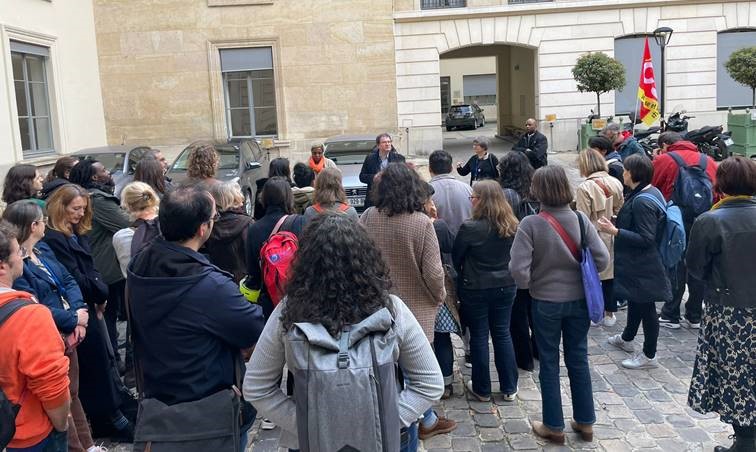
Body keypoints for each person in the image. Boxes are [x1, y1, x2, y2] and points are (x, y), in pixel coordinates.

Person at [243, 214, 444, 452]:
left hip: (311, 443)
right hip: (384, 441)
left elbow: (257, 387)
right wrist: (384, 421)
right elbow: (429, 383)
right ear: (367, 257)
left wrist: (307, 424)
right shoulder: (392, 310)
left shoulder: (288, 313)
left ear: (306, 261)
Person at [127, 186, 265, 449]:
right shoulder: (210, 285)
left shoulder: (140, 265)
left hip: (159, 399)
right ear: (203, 228)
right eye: (214, 218)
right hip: (208, 408)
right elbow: (252, 327)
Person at [510, 166, 609, 444]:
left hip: (545, 303)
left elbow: (518, 271)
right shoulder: (579, 219)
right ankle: (585, 421)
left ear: (537, 190)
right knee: (578, 358)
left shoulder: (531, 224)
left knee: (549, 362)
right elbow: (602, 260)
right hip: (578, 301)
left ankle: (554, 425)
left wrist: (534, 283)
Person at [359, 163, 454, 440]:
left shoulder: (368, 216)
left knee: (387, 367)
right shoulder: (422, 223)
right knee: (416, 371)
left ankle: (417, 419)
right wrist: (440, 297)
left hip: (377, 305)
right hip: (417, 308)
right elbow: (434, 273)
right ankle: (416, 422)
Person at [4, 201, 105, 452]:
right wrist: (74, 320)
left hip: (68, 330)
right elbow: (51, 391)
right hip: (32, 432)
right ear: (33, 225)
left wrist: (79, 311)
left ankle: (87, 445)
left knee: (73, 394)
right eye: (43, 221)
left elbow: (68, 279)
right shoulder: (25, 307)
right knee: (62, 396)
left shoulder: (44, 250)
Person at [42, 184, 135, 442]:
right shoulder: (56, 238)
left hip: (92, 300)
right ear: (61, 208)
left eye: (83, 208)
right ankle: (109, 416)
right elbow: (74, 275)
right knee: (94, 363)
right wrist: (99, 292)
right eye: (75, 208)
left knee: (104, 357)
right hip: (81, 306)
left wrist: (98, 291)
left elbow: (89, 267)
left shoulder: (76, 233)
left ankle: (114, 410)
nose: (81, 214)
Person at [685, 157, 756, 452]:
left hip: (730, 312)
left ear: (721, 184)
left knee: (735, 374)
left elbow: (695, 268)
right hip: (738, 306)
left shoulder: (710, 220)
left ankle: (745, 441)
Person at [0, 221, 71, 452]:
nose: (22, 256)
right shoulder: (29, 317)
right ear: (2, 266)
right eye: (18, 251)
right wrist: (62, 425)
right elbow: (53, 387)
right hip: (24, 435)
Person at [598, 154, 672, 370]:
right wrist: (617, 221)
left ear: (633, 173)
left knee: (646, 307)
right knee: (636, 300)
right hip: (638, 264)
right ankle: (627, 338)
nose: (623, 173)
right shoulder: (648, 191)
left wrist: (616, 231)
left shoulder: (642, 201)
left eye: (626, 170)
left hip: (644, 264)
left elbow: (646, 238)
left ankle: (649, 355)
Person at [453, 180, 520, 403]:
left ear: (481, 200)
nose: (471, 200)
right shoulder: (512, 224)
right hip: (506, 285)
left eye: (473, 197)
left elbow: (457, 257)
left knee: (480, 336)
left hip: (476, 286)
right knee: (502, 333)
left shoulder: (470, 227)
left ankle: (482, 388)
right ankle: (509, 386)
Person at [69, 158, 131, 372]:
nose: (108, 172)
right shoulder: (99, 200)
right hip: (105, 270)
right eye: (104, 169)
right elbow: (126, 223)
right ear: (94, 177)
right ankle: (114, 363)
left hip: (97, 266)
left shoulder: (89, 197)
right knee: (108, 318)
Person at [653, 131, 717, 330]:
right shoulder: (709, 161)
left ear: (665, 145)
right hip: (705, 219)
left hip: (675, 220)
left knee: (675, 264)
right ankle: (695, 314)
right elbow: (717, 190)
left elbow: (653, 187)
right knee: (698, 264)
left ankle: (671, 313)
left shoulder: (664, 160)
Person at [498, 151, 539, 372]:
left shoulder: (506, 195)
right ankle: (539, 349)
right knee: (534, 308)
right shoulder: (535, 189)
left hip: (515, 256)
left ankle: (523, 359)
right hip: (538, 255)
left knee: (517, 313)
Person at [244, 177, 306, 320]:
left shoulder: (254, 229)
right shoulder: (300, 222)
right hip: (298, 297)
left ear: (263, 198)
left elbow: (253, 271)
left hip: (269, 302)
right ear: (288, 197)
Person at [575, 149, 624, 327]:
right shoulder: (616, 182)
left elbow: (582, 218)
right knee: (610, 275)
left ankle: (595, 309)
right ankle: (610, 313)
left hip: (593, 235)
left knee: (591, 275)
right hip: (612, 232)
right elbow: (621, 209)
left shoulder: (584, 187)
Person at [423, 183, 459, 400]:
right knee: (442, 336)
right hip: (438, 291)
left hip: (416, 292)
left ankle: (427, 381)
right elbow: (449, 248)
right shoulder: (438, 226)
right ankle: (445, 381)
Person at [203, 181, 254, 283]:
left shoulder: (210, 225)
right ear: (235, 199)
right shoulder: (247, 223)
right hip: (245, 278)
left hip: (218, 278)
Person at [112, 182, 161, 279]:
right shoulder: (170, 227)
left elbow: (125, 272)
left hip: (139, 291)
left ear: (127, 206)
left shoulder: (121, 237)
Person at [428, 150, 472, 235]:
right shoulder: (468, 189)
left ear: (429, 168)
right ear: (452, 168)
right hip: (465, 242)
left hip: (438, 243)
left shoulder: (424, 193)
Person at [359, 133, 406, 208]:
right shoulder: (370, 158)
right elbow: (362, 177)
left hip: (393, 197)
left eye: (389, 142)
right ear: (378, 145)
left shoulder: (399, 158)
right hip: (375, 198)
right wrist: (375, 177)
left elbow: (404, 178)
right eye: (384, 142)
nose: (387, 144)